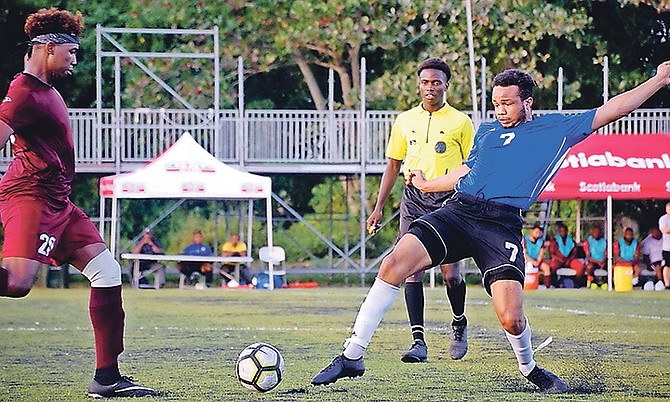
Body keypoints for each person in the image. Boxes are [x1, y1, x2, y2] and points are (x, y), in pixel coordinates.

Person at [312, 61, 670, 393]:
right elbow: (465, 173)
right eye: (496, 103)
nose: (500, 110)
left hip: (500, 226)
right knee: (393, 264)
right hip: (459, 212)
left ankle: (529, 368)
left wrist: (659, 79)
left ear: (527, 103)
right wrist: (425, 185)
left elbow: (616, 109)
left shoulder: (557, 129)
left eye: (508, 103)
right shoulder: (485, 132)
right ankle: (352, 355)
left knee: (511, 318)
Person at [0, 8, 156, 397]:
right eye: (70, 52)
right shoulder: (21, 94)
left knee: (107, 270)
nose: (75, 60)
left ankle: (107, 378)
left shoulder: (46, 90)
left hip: (59, 201)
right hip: (30, 197)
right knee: (18, 284)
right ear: (49, 49)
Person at [366, 58, 474, 362]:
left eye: (436, 82)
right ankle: (418, 342)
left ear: (446, 85)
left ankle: (459, 321)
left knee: (450, 273)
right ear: (419, 84)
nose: (431, 87)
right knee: (409, 269)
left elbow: (472, 165)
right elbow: (393, 165)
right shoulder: (404, 120)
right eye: (426, 82)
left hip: (448, 200)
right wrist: (378, 208)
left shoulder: (461, 122)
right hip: (413, 200)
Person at [547, 222, 585, 287]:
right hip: (558, 260)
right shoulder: (554, 241)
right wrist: (560, 259)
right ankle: (553, 283)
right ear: (559, 231)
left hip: (569, 260)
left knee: (580, 267)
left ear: (567, 231)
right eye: (561, 231)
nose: (563, 232)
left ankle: (577, 283)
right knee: (552, 265)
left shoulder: (571, 242)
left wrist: (569, 260)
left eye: (564, 231)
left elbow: (574, 253)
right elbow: (552, 254)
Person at [660, 202, 670, 289]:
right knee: (667, 265)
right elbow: (663, 230)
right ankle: (667, 284)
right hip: (667, 247)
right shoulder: (663, 219)